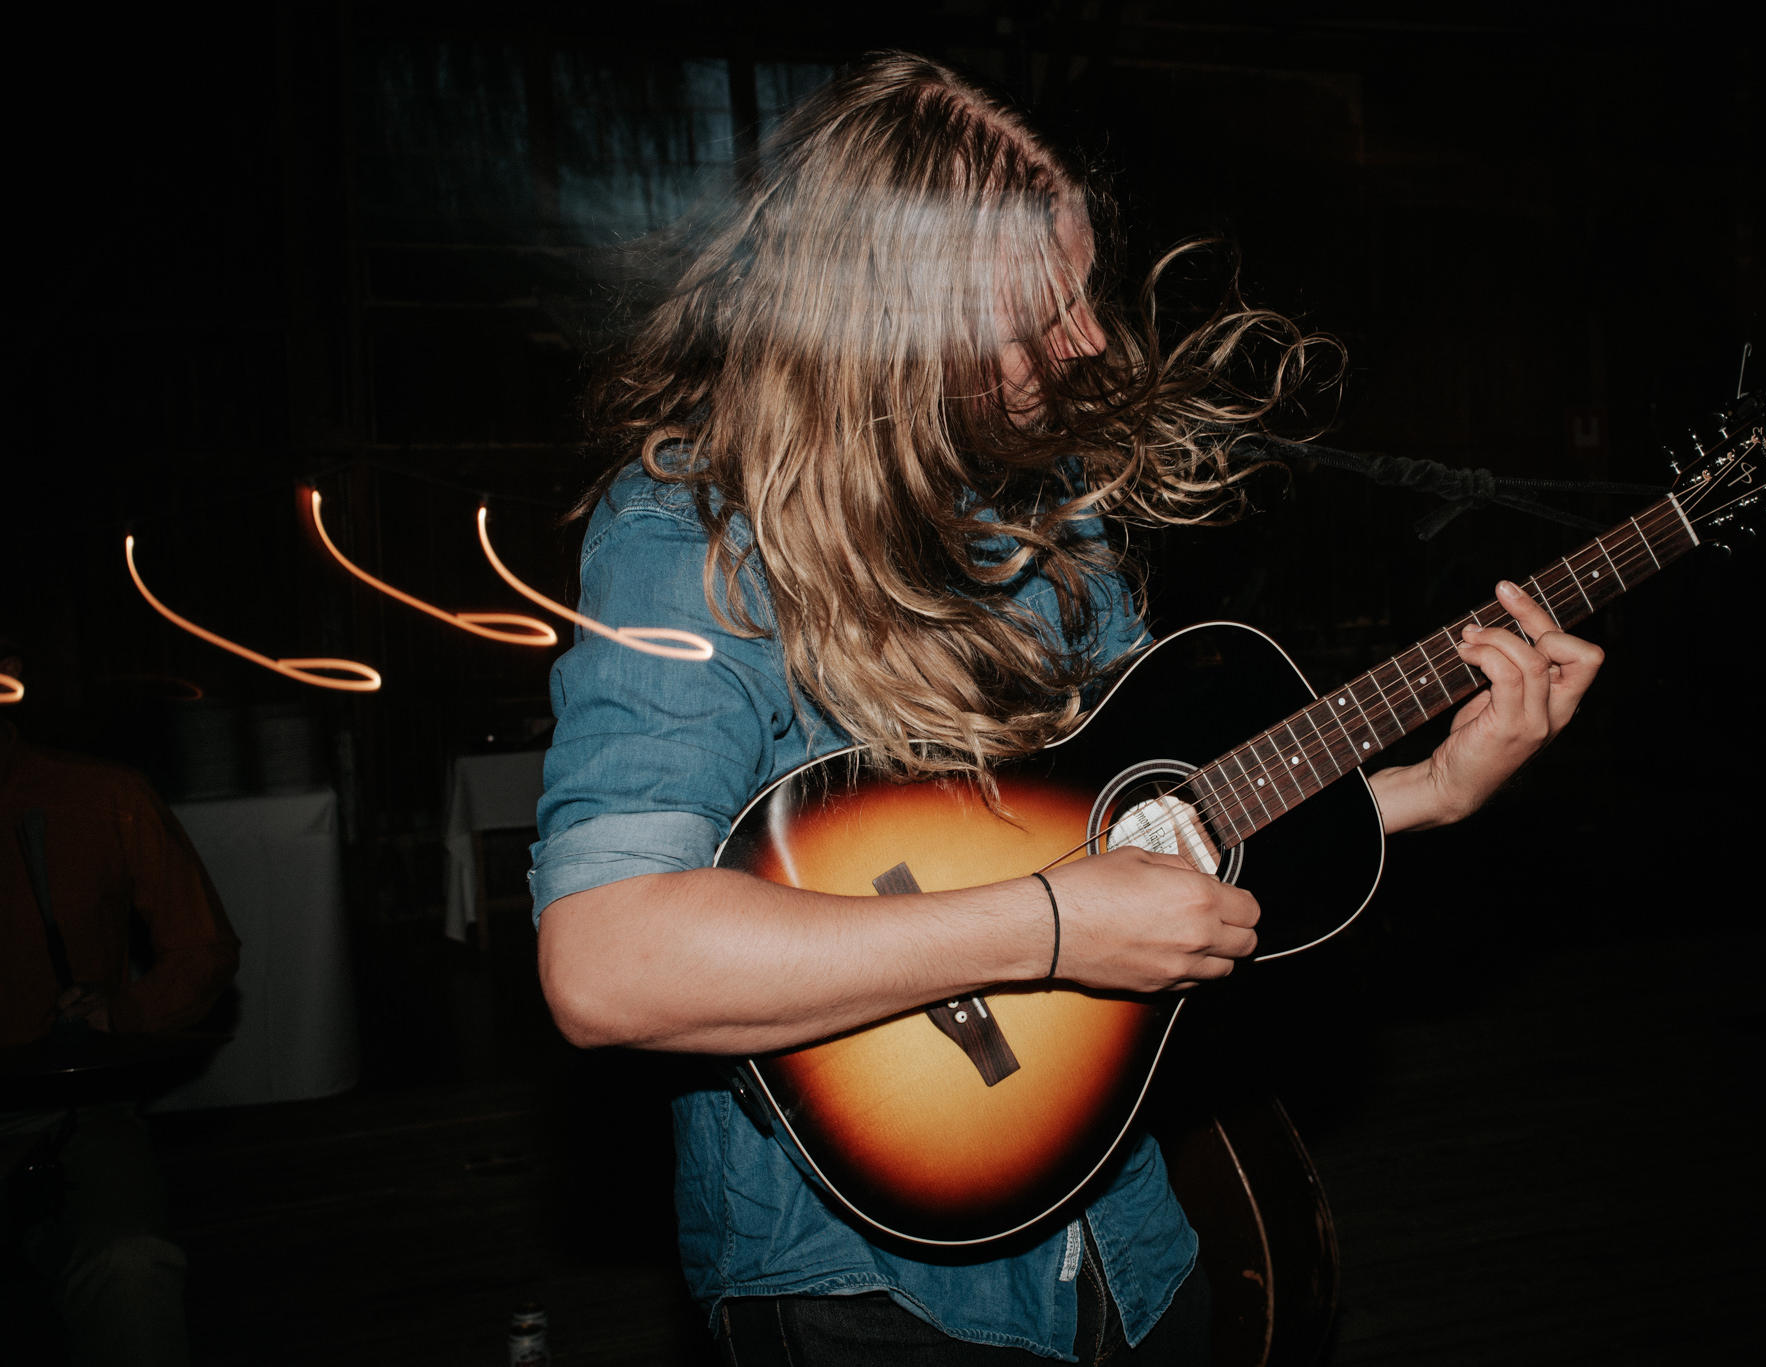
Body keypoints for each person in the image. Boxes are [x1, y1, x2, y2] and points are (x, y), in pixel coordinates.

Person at [529, 53, 1602, 1365]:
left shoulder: (1050, 509)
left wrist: (1424, 792)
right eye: (1041, 312)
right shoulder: (690, 536)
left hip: (1136, 1245)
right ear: (899, 323)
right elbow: (607, 960)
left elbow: (1153, 831)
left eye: (1082, 292)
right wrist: (1045, 925)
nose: (1088, 338)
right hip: (866, 1288)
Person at [1, 637, 241, 1367]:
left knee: (129, 1263)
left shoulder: (102, 798)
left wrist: (126, 1010)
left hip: (68, 1115)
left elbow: (203, 948)